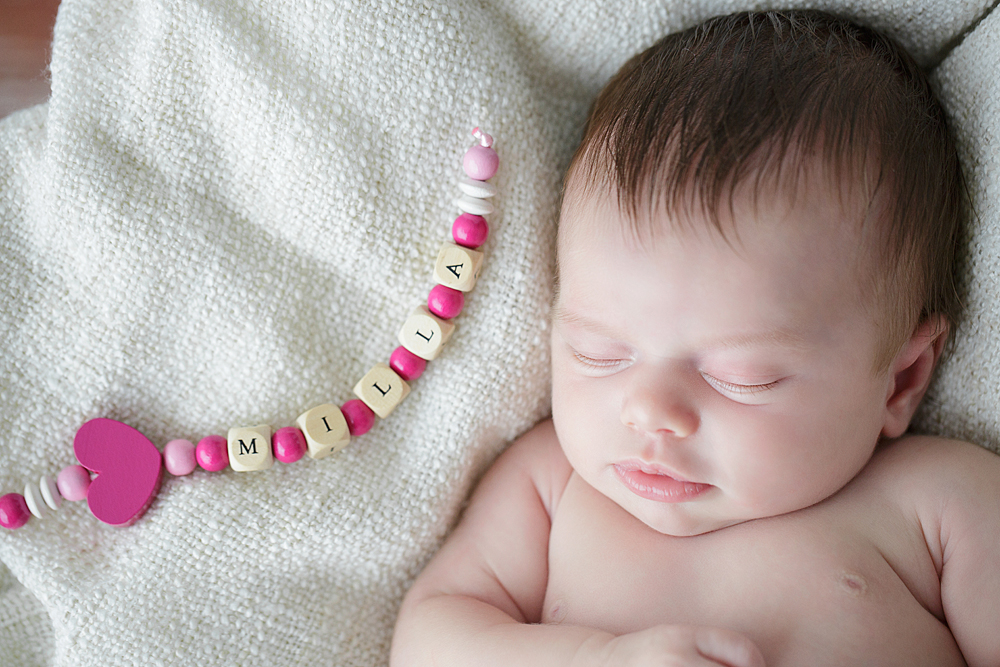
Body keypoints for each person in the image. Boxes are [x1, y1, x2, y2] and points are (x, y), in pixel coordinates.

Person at [390, 9, 1000, 666]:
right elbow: (430, 638)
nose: (649, 408)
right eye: (599, 352)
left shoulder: (943, 502)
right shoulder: (551, 487)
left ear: (901, 380)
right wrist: (593, 658)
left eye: (743, 376)